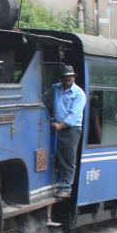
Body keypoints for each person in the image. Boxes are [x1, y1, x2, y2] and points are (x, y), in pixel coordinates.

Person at [48, 64, 86, 199]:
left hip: (71, 129)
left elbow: (73, 115)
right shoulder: (55, 88)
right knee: (53, 155)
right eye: (65, 77)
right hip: (55, 126)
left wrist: (60, 126)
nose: (67, 79)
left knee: (68, 159)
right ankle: (54, 182)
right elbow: (46, 100)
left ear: (74, 78)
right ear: (61, 78)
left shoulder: (79, 94)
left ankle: (66, 187)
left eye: (70, 77)